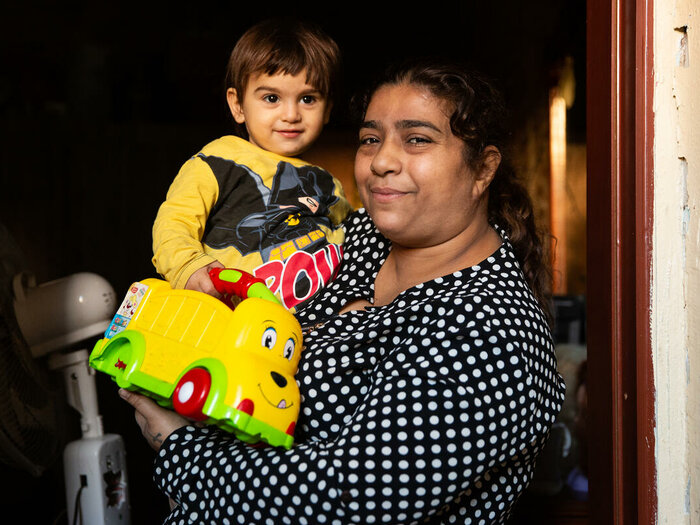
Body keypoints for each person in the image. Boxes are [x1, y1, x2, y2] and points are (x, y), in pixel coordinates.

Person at [121, 58, 566, 524]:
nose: (382, 161)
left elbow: (350, 498)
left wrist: (180, 449)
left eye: (417, 139)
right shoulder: (356, 240)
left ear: (483, 169)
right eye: (371, 139)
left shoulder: (493, 330)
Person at [152, 18, 353, 310]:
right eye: (272, 98)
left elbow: (352, 240)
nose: (291, 114)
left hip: (307, 327)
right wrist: (189, 265)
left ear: (327, 110)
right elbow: (174, 221)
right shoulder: (220, 159)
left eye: (308, 99)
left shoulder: (327, 183)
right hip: (228, 318)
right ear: (238, 106)